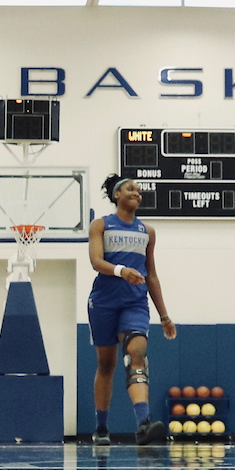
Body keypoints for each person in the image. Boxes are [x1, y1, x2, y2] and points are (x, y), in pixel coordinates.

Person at [87, 177, 177, 444]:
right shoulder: (101, 225)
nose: (137, 193)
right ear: (116, 195)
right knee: (106, 365)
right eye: (130, 189)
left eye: (139, 190)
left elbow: (152, 275)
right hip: (103, 302)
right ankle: (101, 427)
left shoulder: (147, 231)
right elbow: (96, 261)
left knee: (137, 354)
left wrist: (164, 315)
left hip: (135, 303)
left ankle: (143, 424)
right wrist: (120, 271)